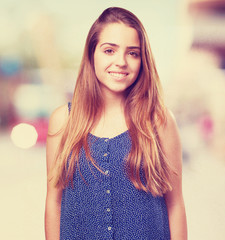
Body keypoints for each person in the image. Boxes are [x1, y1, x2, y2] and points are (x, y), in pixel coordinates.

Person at [45, 7, 187, 240]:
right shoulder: (63, 120)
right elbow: (54, 202)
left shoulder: (159, 121)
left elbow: (175, 206)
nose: (120, 61)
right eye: (109, 50)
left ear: (143, 60)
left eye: (133, 53)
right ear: (92, 54)